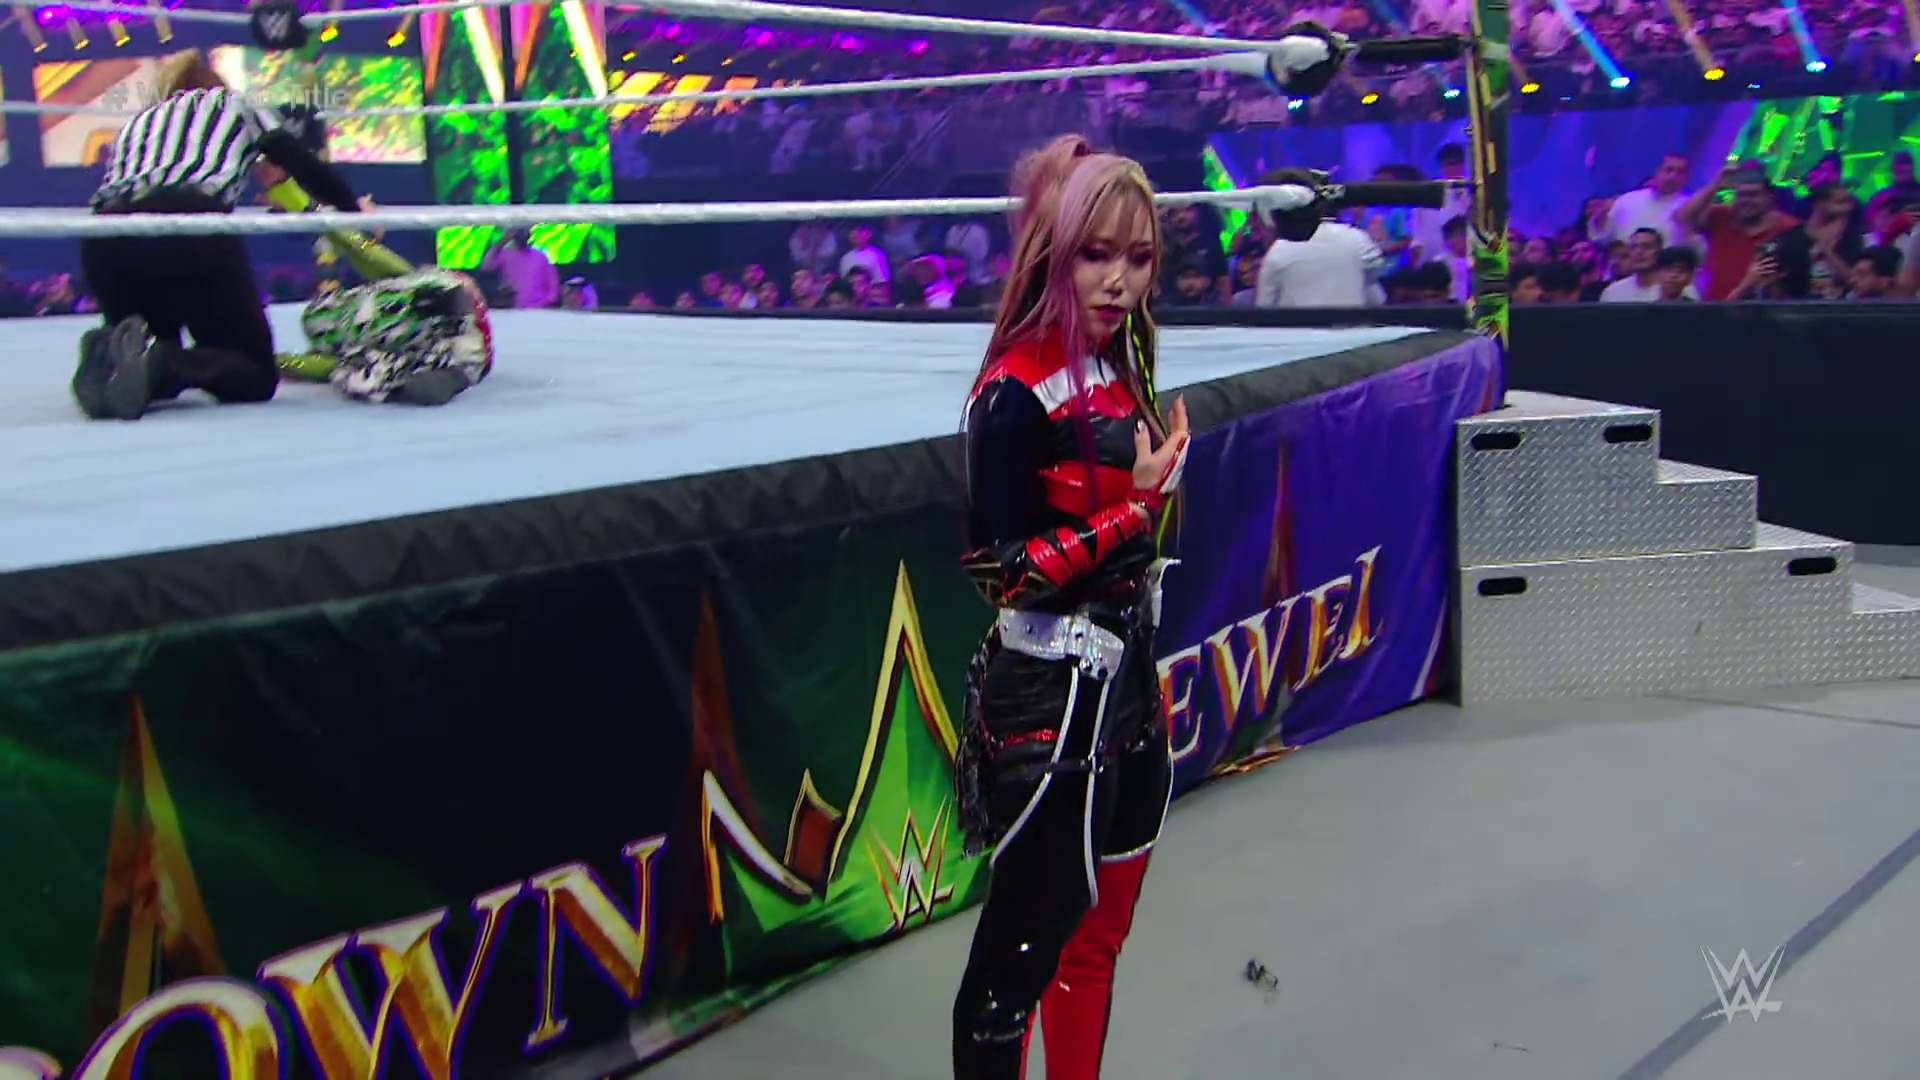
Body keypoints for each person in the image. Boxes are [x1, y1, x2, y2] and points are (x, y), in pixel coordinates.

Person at [952, 134, 1191, 1080]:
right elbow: (996, 572)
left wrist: (1146, 503)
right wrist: (1136, 508)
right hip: (1049, 705)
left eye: (1139, 257)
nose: (1119, 280)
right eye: (1097, 253)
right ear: (1056, 250)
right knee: (1010, 978)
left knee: (1096, 943)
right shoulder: (1010, 392)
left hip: (1129, 690)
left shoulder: (1121, 363)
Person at [73, 48, 364, 421]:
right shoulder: (236, 104)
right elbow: (304, 164)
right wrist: (354, 213)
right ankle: (158, 361)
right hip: (187, 225)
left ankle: (111, 358)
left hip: (104, 237)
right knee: (253, 372)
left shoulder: (137, 123)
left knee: (147, 346)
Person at [262, 106, 493, 406]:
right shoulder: (361, 343)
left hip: (448, 312)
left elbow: (355, 246)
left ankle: (444, 368)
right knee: (371, 368)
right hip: (451, 332)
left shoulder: (385, 299)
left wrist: (286, 191)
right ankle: (445, 370)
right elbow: (354, 245)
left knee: (370, 366)